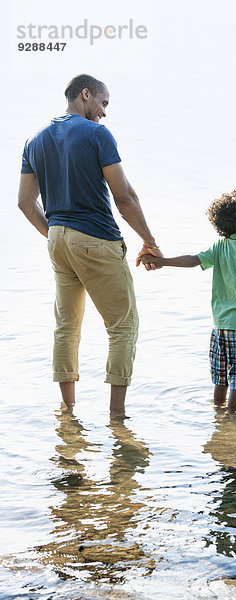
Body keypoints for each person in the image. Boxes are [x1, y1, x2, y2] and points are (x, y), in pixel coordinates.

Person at [18, 73, 162, 417]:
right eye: (103, 103)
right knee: (123, 326)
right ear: (85, 94)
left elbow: (25, 202)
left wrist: (57, 234)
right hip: (96, 238)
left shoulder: (34, 139)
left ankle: (67, 411)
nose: (104, 113)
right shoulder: (97, 134)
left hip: (57, 240)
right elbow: (124, 197)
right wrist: (150, 241)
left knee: (67, 326)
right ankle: (117, 415)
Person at [141, 188, 236, 413]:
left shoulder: (221, 245)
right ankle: (233, 420)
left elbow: (193, 260)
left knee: (221, 376)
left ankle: (217, 413)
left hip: (220, 324)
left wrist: (163, 262)